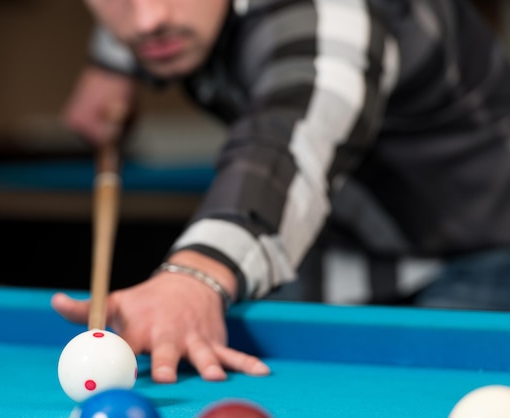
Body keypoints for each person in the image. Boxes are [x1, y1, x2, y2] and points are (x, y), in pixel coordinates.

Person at [52, 0, 510, 384]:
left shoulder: (332, 14)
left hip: (482, 246)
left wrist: (197, 275)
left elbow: (289, 141)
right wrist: (112, 60)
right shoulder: (158, 18)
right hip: (341, 242)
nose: (147, 19)